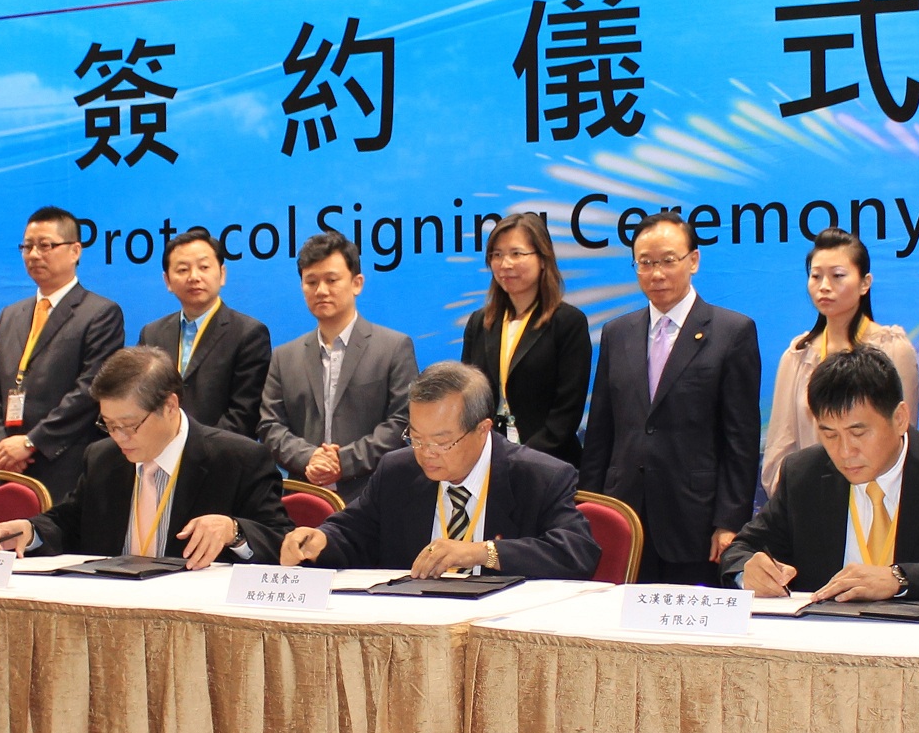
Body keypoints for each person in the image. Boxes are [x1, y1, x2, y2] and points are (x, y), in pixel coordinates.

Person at [724, 346, 919, 602]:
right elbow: (740, 551)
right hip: (827, 634)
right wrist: (748, 572)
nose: (845, 451)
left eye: (858, 433)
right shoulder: (804, 473)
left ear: (899, 418)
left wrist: (900, 579)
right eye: (829, 434)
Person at [280, 361, 600, 579]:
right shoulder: (398, 471)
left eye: (441, 442)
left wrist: (483, 553)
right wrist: (320, 540)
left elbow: (577, 553)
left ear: (482, 429)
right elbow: (353, 533)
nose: (426, 453)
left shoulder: (539, 477)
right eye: (416, 438)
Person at [579, 211, 762, 586]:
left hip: (694, 520)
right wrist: (591, 512)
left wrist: (729, 522)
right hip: (625, 515)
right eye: (645, 263)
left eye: (667, 261)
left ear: (693, 260)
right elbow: (600, 434)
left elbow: (740, 440)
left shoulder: (732, 332)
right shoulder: (617, 332)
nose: (656, 274)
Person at [0, 346, 289, 566]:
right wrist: (31, 531)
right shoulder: (103, 457)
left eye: (129, 425)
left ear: (170, 406)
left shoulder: (238, 459)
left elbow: (282, 543)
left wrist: (234, 531)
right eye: (109, 425)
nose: (119, 437)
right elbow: (70, 522)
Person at [257, 231, 420, 503]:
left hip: (374, 496)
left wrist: (343, 462)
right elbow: (270, 426)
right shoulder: (284, 356)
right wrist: (309, 458)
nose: (321, 290)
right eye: (311, 282)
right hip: (305, 499)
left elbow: (402, 422)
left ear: (357, 283)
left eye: (332, 280)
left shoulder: (393, 347)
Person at [758, 228, 919, 499]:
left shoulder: (893, 349)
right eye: (816, 276)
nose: (824, 286)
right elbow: (780, 448)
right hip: (813, 500)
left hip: (881, 500)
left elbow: (905, 438)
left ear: (865, 283)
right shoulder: (798, 356)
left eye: (837, 276)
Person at [0, 206, 126, 503]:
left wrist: (32, 442)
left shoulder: (100, 313)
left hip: (65, 465)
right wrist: (0, 445)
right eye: (27, 246)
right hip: (9, 466)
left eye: (45, 245)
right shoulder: (10, 315)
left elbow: (89, 390)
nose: (34, 255)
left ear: (75, 251)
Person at [456, 213, 591, 466]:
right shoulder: (480, 322)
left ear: (543, 259)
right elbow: (469, 398)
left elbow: (566, 413)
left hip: (549, 462)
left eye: (516, 253)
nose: (505, 264)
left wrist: (522, 459)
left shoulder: (568, 322)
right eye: (496, 255)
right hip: (488, 459)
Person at [136, 228, 271, 436]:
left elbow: (245, 415)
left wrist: (192, 448)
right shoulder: (152, 333)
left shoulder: (249, 334)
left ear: (222, 274)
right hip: (160, 449)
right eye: (182, 270)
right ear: (167, 281)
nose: (194, 277)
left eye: (204, 267)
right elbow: (141, 399)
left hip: (221, 452)